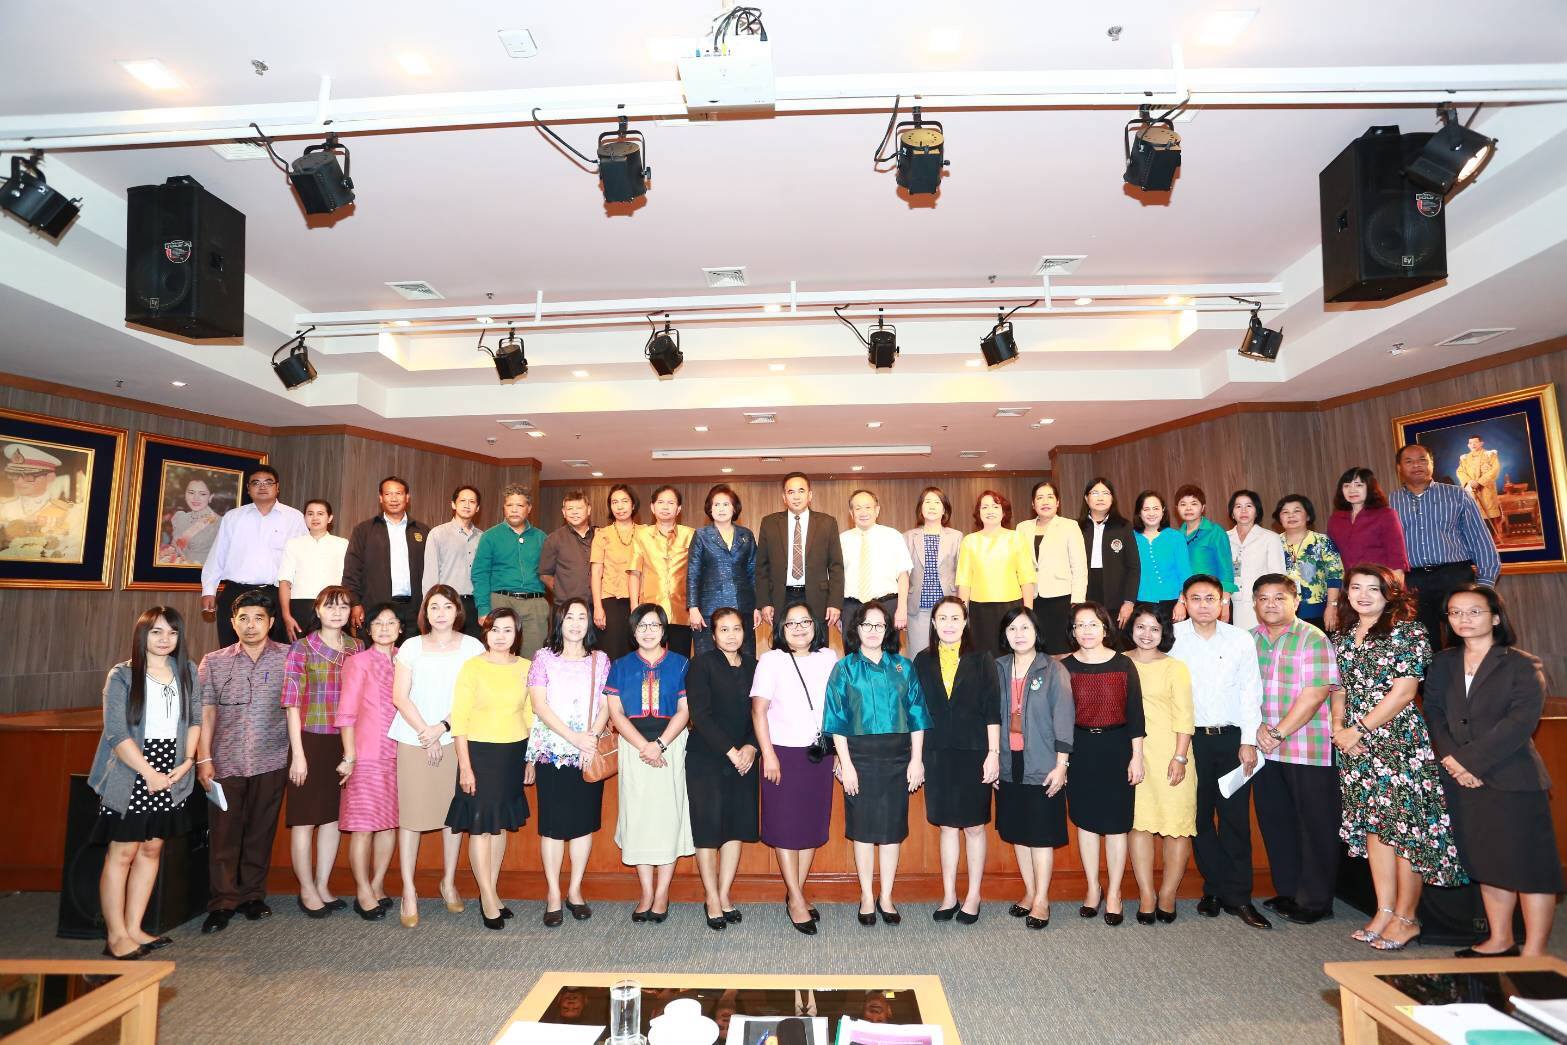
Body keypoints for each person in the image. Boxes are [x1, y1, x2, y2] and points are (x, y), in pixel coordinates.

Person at [1332, 564, 1467, 950]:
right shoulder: (1342, 635)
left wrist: (1358, 729)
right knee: (1375, 829)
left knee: (1405, 829)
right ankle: (1384, 910)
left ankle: (1407, 918)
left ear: (1389, 593)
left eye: (1373, 589)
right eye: (1356, 588)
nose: (1363, 595)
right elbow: (1337, 688)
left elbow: (1404, 692)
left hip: (1397, 740)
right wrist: (1340, 729)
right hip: (1354, 745)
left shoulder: (1408, 631)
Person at [1427, 585, 1562, 957]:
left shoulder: (1522, 664)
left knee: (1529, 866)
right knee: (1488, 862)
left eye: (1474, 611)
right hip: (1462, 779)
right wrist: (1454, 761)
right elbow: (1434, 713)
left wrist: (1469, 761)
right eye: (1455, 612)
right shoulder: (1442, 663)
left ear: (1496, 618)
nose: (1464, 619)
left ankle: (1534, 952)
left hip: (1513, 778)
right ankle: (1500, 939)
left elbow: (1520, 723)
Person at [89, 606, 200, 958]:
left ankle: (135, 927)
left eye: (172, 632)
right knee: (123, 852)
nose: (165, 639)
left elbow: (196, 720)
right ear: (143, 635)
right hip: (131, 769)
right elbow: (116, 733)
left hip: (173, 768)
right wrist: (149, 773)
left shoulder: (187, 670)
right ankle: (116, 935)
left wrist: (188, 761)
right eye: (157, 632)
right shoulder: (122, 675)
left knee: (152, 848)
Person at [823, 601, 931, 926]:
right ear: (856, 629)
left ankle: (886, 896)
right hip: (859, 757)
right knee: (863, 830)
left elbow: (917, 716)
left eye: (879, 625)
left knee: (891, 831)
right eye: (866, 624)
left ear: (888, 630)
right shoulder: (844, 668)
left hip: (898, 757)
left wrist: (917, 760)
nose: (873, 631)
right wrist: (846, 764)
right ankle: (867, 896)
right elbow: (836, 721)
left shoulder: (903, 667)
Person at [1171, 574, 1269, 929]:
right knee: (1198, 819)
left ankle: (1239, 896)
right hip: (1190, 741)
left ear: (1222, 601)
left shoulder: (1240, 639)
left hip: (1231, 740)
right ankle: (1213, 888)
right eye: (1195, 598)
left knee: (1234, 819)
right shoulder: (1173, 638)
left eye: (1210, 598)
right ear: (1184, 601)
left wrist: (1248, 740)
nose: (1203, 605)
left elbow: (1250, 692)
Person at [387, 584, 484, 928]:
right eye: (433, 607)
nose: (440, 613)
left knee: (451, 817)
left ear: (458, 610)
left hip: (455, 738)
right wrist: (425, 733)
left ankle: (448, 882)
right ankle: (408, 890)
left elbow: (474, 697)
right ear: (424, 613)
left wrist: (441, 728)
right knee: (412, 818)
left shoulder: (472, 647)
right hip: (413, 738)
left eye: (447, 606)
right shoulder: (411, 646)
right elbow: (400, 696)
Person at [195, 590, 290, 934]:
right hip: (224, 760)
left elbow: (296, 709)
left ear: (271, 622)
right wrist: (203, 757)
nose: (251, 625)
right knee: (224, 833)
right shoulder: (214, 661)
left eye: (259, 618)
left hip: (272, 757)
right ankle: (223, 901)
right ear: (233, 623)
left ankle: (252, 895)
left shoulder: (288, 658)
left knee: (260, 830)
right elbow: (205, 713)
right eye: (244, 619)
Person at [1250, 574, 1341, 925]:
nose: (1271, 604)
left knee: (1315, 825)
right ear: (1254, 604)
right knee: (1277, 823)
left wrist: (1278, 731)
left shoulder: (1313, 638)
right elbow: (1244, 690)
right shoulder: (1250, 639)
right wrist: (1258, 728)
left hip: (1306, 749)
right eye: (1263, 598)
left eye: (1279, 597)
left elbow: (1315, 693)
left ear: (1296, 601)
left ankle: (1317, 901)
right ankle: (1288, 891)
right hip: (1265, 750)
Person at [751, 600, 838, 934]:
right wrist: (768, 754)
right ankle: (797, 900)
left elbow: (839, 707)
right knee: (786, 828)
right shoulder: (771, 660)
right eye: (791, 623)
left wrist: (839, 753)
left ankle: (795, 894)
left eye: (805, 622)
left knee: (811, 827)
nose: (799, 628)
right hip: (783, 755)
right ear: (781, 629)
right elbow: (759, 711)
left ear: (815, 626)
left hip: (819, 753)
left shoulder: (829, 657)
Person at [604, 604, 695, 921]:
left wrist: (660, 744)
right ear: (633, 631)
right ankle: (645, 891)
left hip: (671, 745)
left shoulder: (681, 664)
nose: (648, 631)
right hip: (634, 748)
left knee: (668, 818)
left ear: (664, 629)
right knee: (639, 819)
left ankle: (662, 893)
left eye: (654, 625)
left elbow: (685, 710)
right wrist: (644, 746)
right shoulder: (620, 665)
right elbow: (616, 713)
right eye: (641, 625)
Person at [913, 596, 1000, 924]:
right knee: (947, 826)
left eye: (955, 618)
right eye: (943, 618)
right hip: (937, 753)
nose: (949, 624)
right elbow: (916, 713)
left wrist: (994, 754)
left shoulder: (982, 659)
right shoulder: (922, 660)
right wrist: (917, 758)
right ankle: (949, 895)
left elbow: (992, 711)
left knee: (975, 826)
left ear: (965, 623)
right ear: (933, 623)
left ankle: (974, 895)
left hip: (975, 753)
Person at [446, 607, 533, 930]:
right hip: (479, 755)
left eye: (507, 630)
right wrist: (465, 768)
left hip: (513, 753)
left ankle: (492, 892)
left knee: (499, 826)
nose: (500, 636)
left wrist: (529, 759)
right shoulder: (472, 667)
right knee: (481, 827)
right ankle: (486, 897)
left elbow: (530, 715)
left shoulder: (526, 667)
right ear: (486, 632)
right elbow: (459, 721)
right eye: (495, 629)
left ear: (517, 634)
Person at [527, 598, 611, 927]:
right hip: (553, 752)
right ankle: (552, 893)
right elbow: (539, 705)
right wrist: (572, 737)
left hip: (588, 753)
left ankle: (575, 890)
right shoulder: (543, 658)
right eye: (570, 617)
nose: (576, 623)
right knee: (551, 826)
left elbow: (607, 704)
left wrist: (590, 737)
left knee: (582, 824)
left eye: (582, 617)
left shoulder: (600, 660)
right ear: (559, 622)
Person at [1062, 602, 1146, 927]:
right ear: (1072, 631)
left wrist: (1136, 756)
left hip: (1116, 748)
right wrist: (1062, 761)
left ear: (1105, 628)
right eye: (1080, 625)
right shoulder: (1065, 667)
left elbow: (1136, 715)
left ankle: (1114, 893)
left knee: (1115, 824)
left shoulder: (1123, 664)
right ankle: (1092, 888)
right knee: (1085, 822)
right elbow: (1060, 718)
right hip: (1080, 749)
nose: (1086, 631)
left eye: (1093, 624)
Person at [280, 586, 361, 917]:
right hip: (310, 740)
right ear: (317, 610)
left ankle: (323, 884)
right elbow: (291, 703)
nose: (337, 612)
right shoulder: (301, 648)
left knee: (332, 817)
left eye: (343, 607)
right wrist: (298, 754)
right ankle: (306, 888)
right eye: (330, 606)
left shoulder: (357, 647)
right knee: (304, 820)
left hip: (346, 742)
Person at [993, 607, 1074, 929]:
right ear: (1005, 634)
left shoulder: (1053, 669)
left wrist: (1062, 765)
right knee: (1019, 832)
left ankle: (1042, 899)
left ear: (1036, 632)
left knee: (1040, 835)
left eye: (1025, 627)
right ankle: (1029, 891)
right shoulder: (997, 668)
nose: (1019, 634)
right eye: (1012, 629)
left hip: (1043, 762)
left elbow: (1064, 718)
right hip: (1008, 762)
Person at [685, 606, 760, 931]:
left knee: (735, 827)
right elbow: (700, 716)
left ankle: (725, 893)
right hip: (708, 758)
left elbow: (762, 713)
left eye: (737, 629)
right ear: (713, 635)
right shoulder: (701, 665)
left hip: (745, 760)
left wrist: (751, 748)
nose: (731, 635)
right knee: (708, 828)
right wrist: (732, 752)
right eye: (724, 630)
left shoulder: (755, 666)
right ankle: (711, 896)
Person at [1123, 603, 1194, 926]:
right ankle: (1147, 895)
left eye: (1155, 628)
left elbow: (1185, 715)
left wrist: (1180, 756)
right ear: (1131, 629)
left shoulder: (1175, 667)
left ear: (1163, 632)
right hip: (1132, 755)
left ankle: (1167, 894)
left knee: (1177, 826)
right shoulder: (1120, 662)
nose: (1147, 634)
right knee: (1139, 824)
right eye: (1141, 627)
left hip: (1170, 753)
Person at [1391, 444, 1501, 643]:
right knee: (1421, 646)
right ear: (1399, 468)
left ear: (1432, 464)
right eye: (1409, 461)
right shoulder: (1390, 502)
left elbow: (1481, 541)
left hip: (1454, 576)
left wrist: (1484, 587)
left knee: (1465, 642)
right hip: (1412, 581)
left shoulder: (1457, 495)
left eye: (1422, 460)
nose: (1416, 465)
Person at [336, 602, 402, 919]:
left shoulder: (407, 660)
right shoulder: (358, 662)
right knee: (363, 827)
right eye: (378, 623)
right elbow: (346, 714)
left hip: (400, 755)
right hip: (366, 755)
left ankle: (377, 884)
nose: (384, 628)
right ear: (368, 628)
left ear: (400, 627)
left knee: (389, 824)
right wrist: (349, 756)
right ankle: (362, 891)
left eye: (391, 622)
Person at [200, 465, 305, 646]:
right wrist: (208, 590)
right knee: (232, 652)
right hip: (236, 593)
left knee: (277, 653)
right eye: (256, 483)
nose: (262, 487)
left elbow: (303, 560)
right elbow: (217, 555)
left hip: (276, 595)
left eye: (268, 482)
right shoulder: (233, 517)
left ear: (277, 487)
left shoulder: (294, 517)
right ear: (248, 489)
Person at [754, 472, 845, 639]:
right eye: (791, 492)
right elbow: (762, 567)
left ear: (810, 495)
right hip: (781, 598)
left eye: (801, 491)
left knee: (817, 645)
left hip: (817, 598)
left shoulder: (827, 522)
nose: (796, 496)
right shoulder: (769, 523)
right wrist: (764, 602)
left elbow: (836, 567)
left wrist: (835, 603)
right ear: (784, 497)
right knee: (783, 645)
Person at [344, 476, 430, 643]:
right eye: (388, 494)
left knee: (409, 655)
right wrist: (354, 603)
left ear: (407, 497)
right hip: (375, 609)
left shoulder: (423, 531)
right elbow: (351, 570)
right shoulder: (364, 530)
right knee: (376, 656)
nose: (393, 498)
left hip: (414, 611)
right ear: (381, 498)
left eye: (398, 493)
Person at [955, 490, 1037, 658]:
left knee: (1012, 654)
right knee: (982, 656)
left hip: (1011, 607)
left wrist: (1028, 613)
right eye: (984, 507)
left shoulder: (1016, 538)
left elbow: (1027, 578)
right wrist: (962, 614)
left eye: (995, 506)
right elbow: (964, 581)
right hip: (979, 610)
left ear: (1003, 511)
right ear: (978, 513)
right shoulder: (969, 541)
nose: (990, 510)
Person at [472, 484, 549, 659]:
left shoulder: (541, 538)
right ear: (504, 508)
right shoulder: (490, 536)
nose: (514, 510)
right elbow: (480, 574)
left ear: (529, 508)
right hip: (500, 601)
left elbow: (550, 573)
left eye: (520, 505)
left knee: (533, 660)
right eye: (509, 505)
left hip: (534, 605)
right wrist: (483, 609)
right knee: (500, 657)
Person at [1015, 480, 1087, 656]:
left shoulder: (1070, 526)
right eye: (1040, 498)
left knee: (1062, 650)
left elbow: (1079, 567)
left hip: (1061, 598)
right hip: (1031, 598)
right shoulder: (1022, 528)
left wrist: (1077, 601)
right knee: (1035, 649)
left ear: (1058, 502)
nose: (1045, 501)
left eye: (1050, 497)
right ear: (1033, 504)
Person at [687, 484, 758, 658]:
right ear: (710, 509)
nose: (721, 509)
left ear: (734, 508)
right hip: (709, 610)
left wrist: (758, 606)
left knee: (745, 659)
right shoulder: (701, 535)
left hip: (743, 608)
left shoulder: (746, 535)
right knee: (709, 660)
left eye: (726, 504)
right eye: (716, 504)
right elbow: (693, 574)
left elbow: (754, 572)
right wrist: (693, 608)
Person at [628, 485, 696, 658]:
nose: (665, 507)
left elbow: (697, 575)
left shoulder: (691, 535)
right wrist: (634, 607)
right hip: (650, 612)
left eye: (671, 503)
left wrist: (696, 607)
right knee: (649, 658)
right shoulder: (641, 535)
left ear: (678, 509)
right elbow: (634, 573)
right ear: (652, 507)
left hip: (682, 612)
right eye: (661, 502)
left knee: (680, 660)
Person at [839, 489, 913, 643]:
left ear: (877, 510)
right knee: (853, 654)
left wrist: (902, 608)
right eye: (858, 508)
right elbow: (835, 578)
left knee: (888, 653)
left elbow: (903, 575)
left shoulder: (893, 536)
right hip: (851, 608)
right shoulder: (842, 540)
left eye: (868, 507)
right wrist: (839, 613)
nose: (863, 512)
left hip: (887, 605)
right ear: (851, 513)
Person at [903, 487, 963, 658]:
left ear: (944, 509)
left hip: (948, 607)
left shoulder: (956, 537)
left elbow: (962, 574)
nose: (932, 506)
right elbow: (903, 575)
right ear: (920, 508)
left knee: (950, 657)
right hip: (918, 609)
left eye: (937, 502)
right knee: (918, 657)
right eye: (927, 502)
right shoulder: (908, 537)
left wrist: (963, 607)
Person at [278, 499, 349, 642]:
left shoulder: (342, 544)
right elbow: (284, 582)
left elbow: (347, 580)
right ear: (304, 517)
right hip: (300, 607)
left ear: (330, 518)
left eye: (320, 514)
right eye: (310, 514)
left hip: (333, 605)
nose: (315, 518)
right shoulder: (293, 544)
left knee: (331, 648)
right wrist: (286, 615)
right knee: (300, 650)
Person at [0, 442, 83, 561]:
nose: (19, 481)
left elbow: (75, 553)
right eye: (15, 475)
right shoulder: (3, 508)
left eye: (29, 476)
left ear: (50, 477)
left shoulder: (70, 513)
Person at [1275, 494, 1344, 632]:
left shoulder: (1322, 541)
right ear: (1279, 518)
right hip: (1282, 611)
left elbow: (1335, 575)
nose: (1291, 515)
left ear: (1307, 516)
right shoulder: (1273, 542)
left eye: (1297, 511)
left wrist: (1332, 606)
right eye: (1285, 512)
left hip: (1317, 612)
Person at [1326, 468, 1408, 585]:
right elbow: (1332, 560)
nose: (1352, 490)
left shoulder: (1386, 515)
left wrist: (1394, 590)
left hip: (1381, 584)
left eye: (1358, 485)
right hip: (1349, 586)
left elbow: (1397, 559)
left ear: (1370, 487)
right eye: (1346, 486)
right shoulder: (1335, 520)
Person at [422, 485, 484, 638]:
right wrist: (430, 606)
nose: (467, 505)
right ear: (453, 504)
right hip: (447, 602)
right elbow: (430, 574)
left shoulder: (483, 537)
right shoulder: (438, 533)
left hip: (475, 604)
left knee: (473, 648)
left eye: (472, 502)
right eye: (462, 501)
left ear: (477, 508)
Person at [1079, 477, 1139, 629]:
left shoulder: (1124, 526)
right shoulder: (1076, 527)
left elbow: (1134, 567)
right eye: (1095, 493)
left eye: (1105, 493)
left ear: (1112, 498)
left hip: (1116, 597)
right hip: (1084, 592)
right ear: (1086, 498)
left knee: (1114, 638)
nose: (1100, 497)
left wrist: (1129, 602)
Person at [591, 484, 640, 661]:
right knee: (612, 653)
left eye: (624, 501)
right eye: (614, 502)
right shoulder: (602, 534)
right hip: (611, 601)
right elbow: (596, 573)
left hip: (640, 600)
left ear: (633, 505)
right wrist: (598, 607)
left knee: (637, 652)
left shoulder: (645, 532)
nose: (620, 507)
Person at [1174, 485, 1237, 620]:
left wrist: (1225, 603)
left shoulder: (1215, 531)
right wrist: (1181, 601)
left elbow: (1226, 569)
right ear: (1177, 508)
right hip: (1187, 601)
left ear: (1203, 507)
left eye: (1194, 503)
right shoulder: (1176, 537)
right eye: (1183, 504)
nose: (1188, 508)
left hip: (1213, 601)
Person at [1227, 489, 1286, 632]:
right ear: (1232, 513)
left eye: (1249, 506)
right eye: (1238, 506)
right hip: (1230, 603)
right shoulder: (1224, 538)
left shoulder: (1270, 538)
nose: (1243, 510)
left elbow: (1278, 576)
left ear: (1257, 511)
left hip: (1261, 602)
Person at [539, 489, 597, 626]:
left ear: (588, 510)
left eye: (579, 508)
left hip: (596, 607)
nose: (574, 512)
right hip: (565, 607)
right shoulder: (554, 539)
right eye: (570, 509)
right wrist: (561, 591)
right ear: (564, 512)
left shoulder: (600, 535)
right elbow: (545, 574)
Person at [1130, 491, 1189, 616]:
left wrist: (1182, 602)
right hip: (1139, 602)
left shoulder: (1176, 537)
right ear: (1139, 513)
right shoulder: (1130, 538)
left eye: (1156, 508)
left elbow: (1185, 573)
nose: (1151, 513)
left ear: (1163, 511)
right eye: (1146, 509)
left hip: (1173, 602)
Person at [158, 476, 220, 565]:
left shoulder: (220, 523)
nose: (196, 498)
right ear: (185, 494)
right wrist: (168, 553)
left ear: (211, 497)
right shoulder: (180, 518)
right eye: (191, 493)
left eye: (202, 494)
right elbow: (176, 548)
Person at [1457, 435, 1503, 539]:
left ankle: (1492, 538)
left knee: (1488, 513)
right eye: (1470, 443)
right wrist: (1469, 482)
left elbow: (1495, 470)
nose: (1473, 445)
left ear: (1481, 443)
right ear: (1468, 445)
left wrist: (1480, 482)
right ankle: (1478, 539)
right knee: (1474, 513)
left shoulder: (1490, 455)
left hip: (1486, 489)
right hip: (1471, 489)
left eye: (1475, 442)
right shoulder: (1465, 458)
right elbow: (1460, 471)